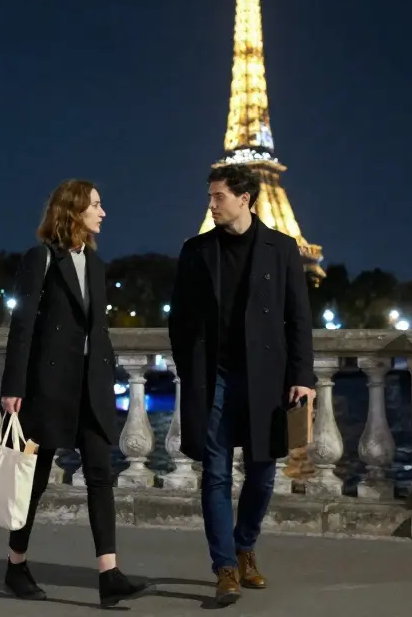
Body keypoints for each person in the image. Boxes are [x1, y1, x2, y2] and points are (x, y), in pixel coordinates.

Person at [0, 179, 152, 609]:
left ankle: (109, 574)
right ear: (74, 211)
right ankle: (16, 563)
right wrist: (14, 385)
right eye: (97, 206)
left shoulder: (98, 265)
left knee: (101, 475)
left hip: (92, 384)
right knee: (37, 479)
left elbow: (96, 332)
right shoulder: (41, 260)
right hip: (49, 386)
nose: (103, 213)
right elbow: (22, 325)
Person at [167, 164, 315, 606]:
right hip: (213, 378)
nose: (211, 205)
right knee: (213, 474)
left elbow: (299, 319)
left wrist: (302, 377)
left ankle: (245, 545)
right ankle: (225, 566)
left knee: (263, 472)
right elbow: (179, 319)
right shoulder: (196, 250)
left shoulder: (282, 248)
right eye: (211, 197)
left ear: (244, 199)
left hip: (265, 379)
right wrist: (189, 368)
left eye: (218, 197)